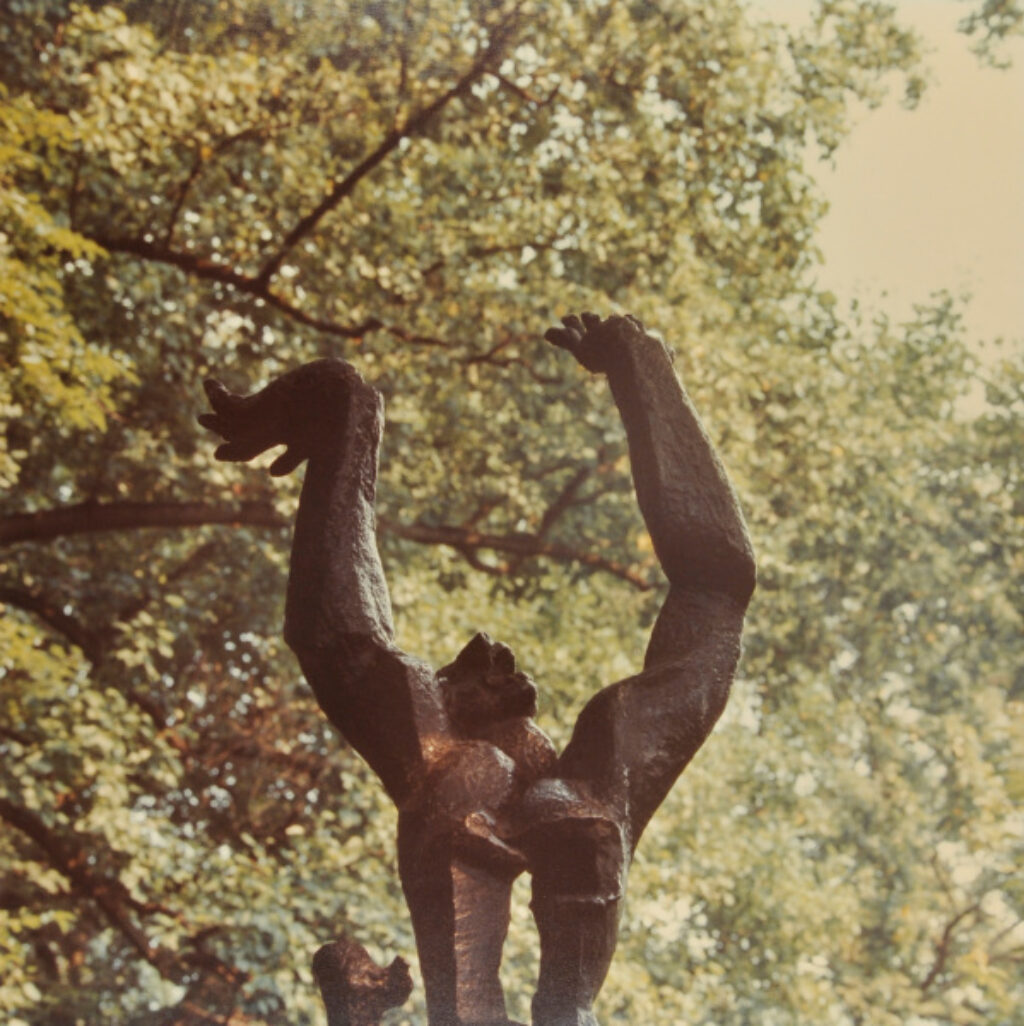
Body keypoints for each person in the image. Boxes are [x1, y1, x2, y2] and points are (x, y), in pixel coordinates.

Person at [200, 313, 755, 1026]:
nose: (494, 647)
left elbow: (716, 591)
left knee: (555, 799)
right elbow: (335, 630)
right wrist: (346, 419)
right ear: (438, 696)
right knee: (467, 775)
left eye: (494, 656)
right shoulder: (429, 740)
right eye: (466, 663)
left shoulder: (607, 754)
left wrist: (643, 369)